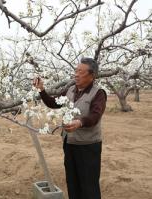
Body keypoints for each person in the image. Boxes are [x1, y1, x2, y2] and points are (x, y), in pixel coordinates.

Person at [33, 57, 106, 199]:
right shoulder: (70, 90)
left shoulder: (98, 93)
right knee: (72, 182)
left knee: (89, 185)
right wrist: (42, 90)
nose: (76, 75)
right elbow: (53, 103)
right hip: (70, 143)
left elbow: (95, 116)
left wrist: (79, 122)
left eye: (81, 72)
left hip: (88, 146)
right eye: (76, 71)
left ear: (92, 76)